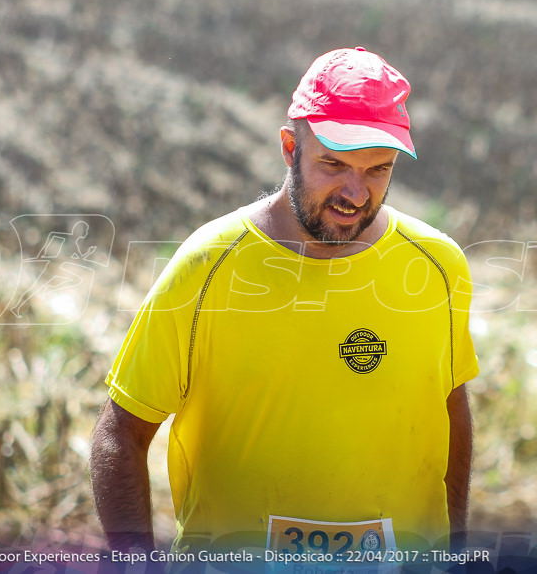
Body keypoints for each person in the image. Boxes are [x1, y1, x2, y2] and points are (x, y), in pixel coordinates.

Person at [89, 47, 480, 559]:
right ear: (290, 146)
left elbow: (450, 410)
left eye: (378, 170)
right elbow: (121, 433)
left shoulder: (436, 266)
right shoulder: (207, 267)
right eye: (333, 165)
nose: (355, 193)